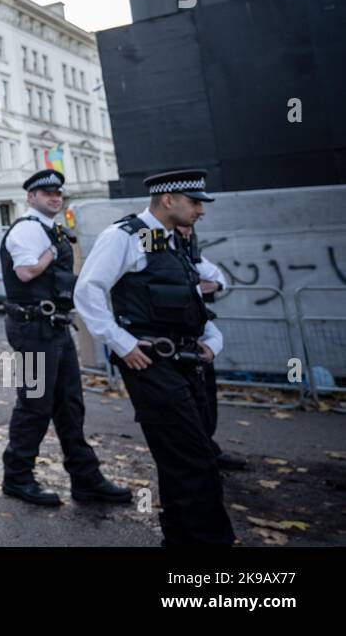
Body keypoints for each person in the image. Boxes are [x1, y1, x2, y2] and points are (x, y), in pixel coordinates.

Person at [73, 169, 236, 545]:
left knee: (183, 460)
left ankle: (180, 539)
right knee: (195, 462)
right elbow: (89, 291)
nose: (201, 211)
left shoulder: (168, 240)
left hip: (187, 362)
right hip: (152, 363)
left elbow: (194, 293)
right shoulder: (124, 236)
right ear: (168, 200)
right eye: (194, 202)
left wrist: (212, 338)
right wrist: (122, 343)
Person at [0, 169, 131, 506]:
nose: (55, 198)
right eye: (46, 194)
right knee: (35, 404)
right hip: (32, 328)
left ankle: (85, 479)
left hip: (54, 327)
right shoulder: (28, 229)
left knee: (70, 406)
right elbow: (26, 271)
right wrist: (51, 254)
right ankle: (17, 477)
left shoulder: (49, 228)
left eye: (58, 194)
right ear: (31, 198)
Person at [176, 223, 246, 471]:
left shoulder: (184, 254)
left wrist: (203, 287)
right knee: (46, 399)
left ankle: (206, 451)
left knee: (205, 401)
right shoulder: (149, 244)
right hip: (46, 342)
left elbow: (218, 278)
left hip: (53, 341)